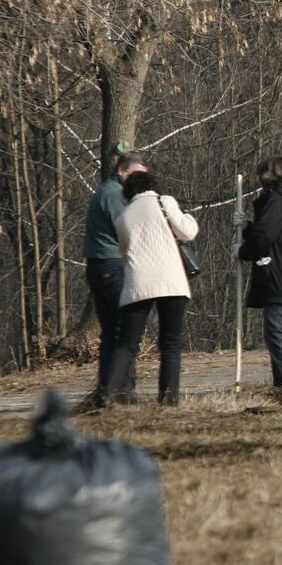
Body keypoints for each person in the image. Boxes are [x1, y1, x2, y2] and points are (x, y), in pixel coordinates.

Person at [97, 171, 198, 407]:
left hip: (137, 284)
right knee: (170, 343)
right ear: (153, 186)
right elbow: (188, 232)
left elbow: (124, 251)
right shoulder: (165, 202)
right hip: (170, 281)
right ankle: (168, 398)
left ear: (128, 193)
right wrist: (189, 217)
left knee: (127, 344)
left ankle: (106, 392)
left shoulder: (122, 218)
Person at [235, 156, 282, 386]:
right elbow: (273, 233)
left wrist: (243, 251)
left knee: (277, 332)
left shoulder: (276, 200)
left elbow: (264, 237)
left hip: (281, 274)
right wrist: (248, 226)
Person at [84, 152, 147, 399]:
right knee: (124, 331)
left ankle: (107, 386)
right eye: (136, 175)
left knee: (112, 331)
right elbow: (129, 229)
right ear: (122, 171)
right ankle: (121, 388)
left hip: (103, 267)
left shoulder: (108, 192)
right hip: (113, 266)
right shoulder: (114, 195)